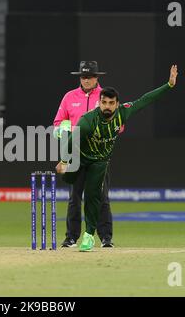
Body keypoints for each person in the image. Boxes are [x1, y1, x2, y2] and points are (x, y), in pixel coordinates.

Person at [56, 65, 178, 252]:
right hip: (80, 158)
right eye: (104, 103)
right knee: (74, 195)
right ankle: (71, 237)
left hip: (100, 161)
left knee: (95, 198)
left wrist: (169, 85)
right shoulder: (88, 120)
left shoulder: (123, 112)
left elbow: (146, 100)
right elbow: (72, 140)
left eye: (111, 103)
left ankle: (90, 236)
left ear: (117, 104)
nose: (107, 107)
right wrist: (64, 161)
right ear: (100, 103)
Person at [53, 61, 114, 248]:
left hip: (98, 154)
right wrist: (62, 131)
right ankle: (71, 237)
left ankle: (105, 238)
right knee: (74, 197)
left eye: (90, 77)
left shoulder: (106, 97)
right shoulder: (70, 97)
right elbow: (58, 122)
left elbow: (118, 122)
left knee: (100, 197)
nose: (86, 80)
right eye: (83, 77)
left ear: (97, 77)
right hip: (75, 154)